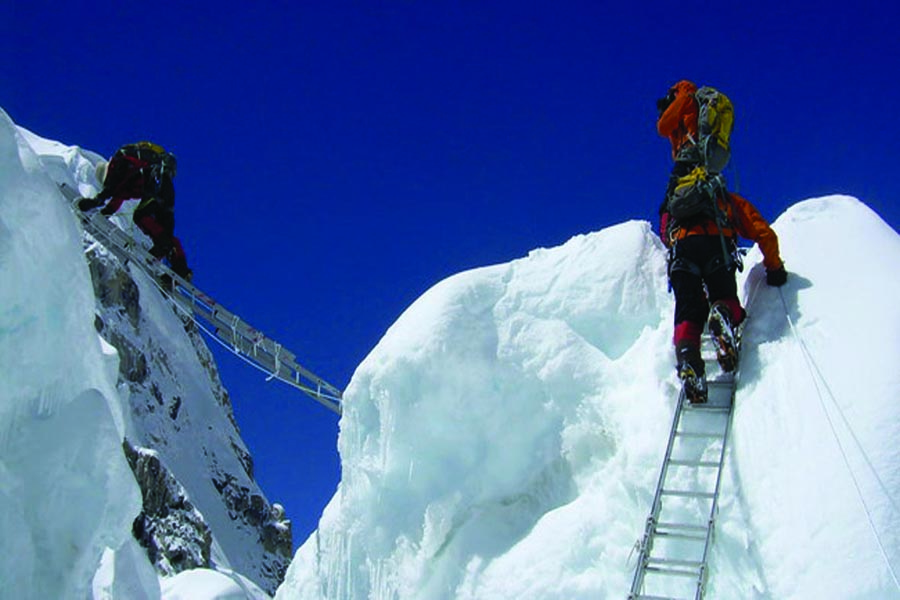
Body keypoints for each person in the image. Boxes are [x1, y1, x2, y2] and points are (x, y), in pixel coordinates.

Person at [656, 80, 787, 403]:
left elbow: (665, 233)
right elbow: (762, 232)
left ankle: (689, 360)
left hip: (683, 250)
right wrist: (775, 269)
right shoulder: (724, 198)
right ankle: (724, 316)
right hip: (717, 246)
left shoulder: (672, 202)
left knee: (687, 309)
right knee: (724, 294)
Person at [79, 141, 192, 281]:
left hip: (155, 184)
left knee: (141, 216)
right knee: (165, 232)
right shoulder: (125, 184)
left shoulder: (118, 163)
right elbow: (114, 203)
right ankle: (181, 269)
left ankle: (163, 247)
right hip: (164, 189)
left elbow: (111, 191)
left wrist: (95, 201)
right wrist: (100, 215)